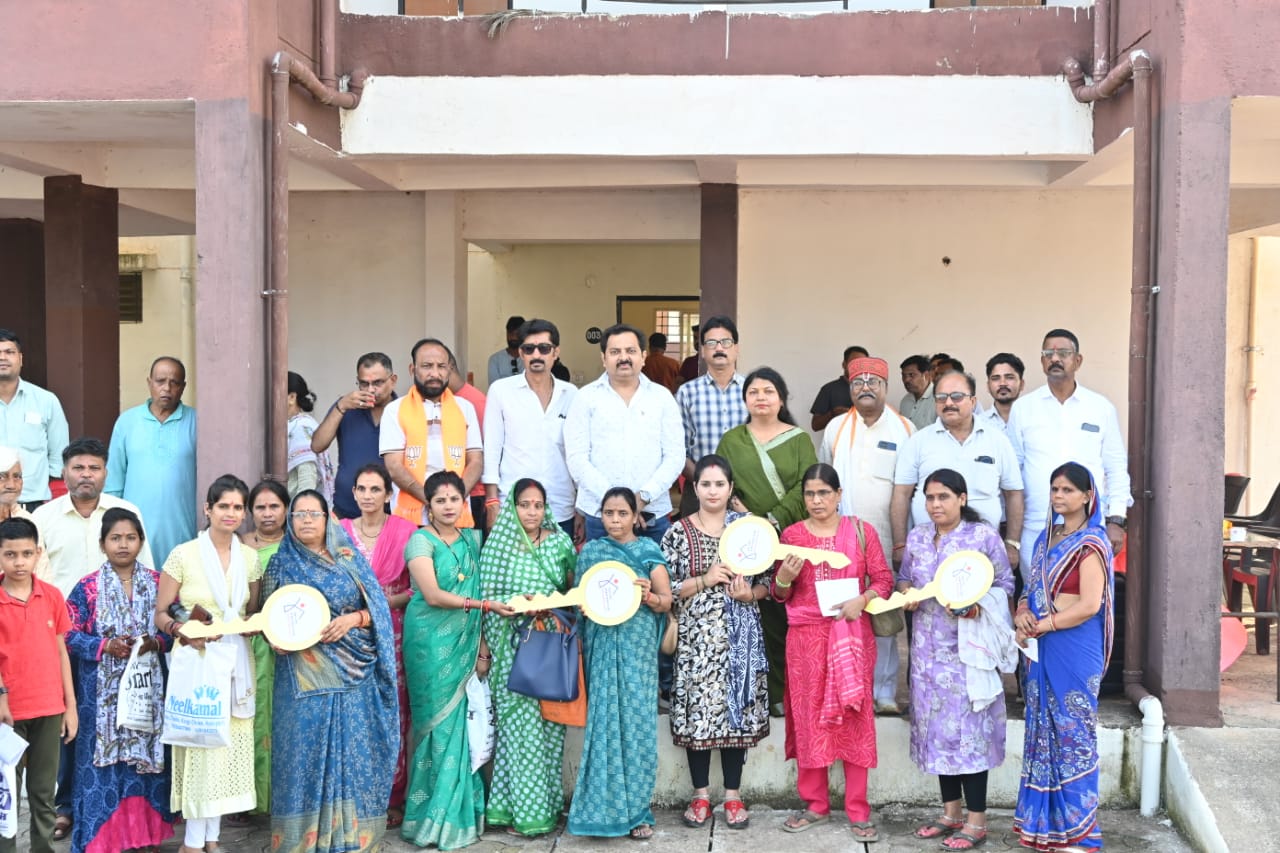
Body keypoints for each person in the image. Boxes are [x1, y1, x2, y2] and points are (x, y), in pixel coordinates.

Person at [264, 489, 399, 852]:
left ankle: (352, 839)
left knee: (352, 754)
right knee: (303, 755)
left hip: (354, 674)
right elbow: (267, 617)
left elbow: (378, 608)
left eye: (315, 513)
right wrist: (275, 639)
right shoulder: (281, 563)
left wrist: (354, 619)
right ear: (290, 521)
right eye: (299, 514)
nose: (307, 520)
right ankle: (301, 842)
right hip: (302, 678)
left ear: (328, 520)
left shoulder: (349, 559)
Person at [33, 436, 153, 840]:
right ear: (64, 471)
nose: (86, 475)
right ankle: (66, 806)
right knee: (69, 725)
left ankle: (124, 816)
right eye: (78, 468)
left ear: (105, 472)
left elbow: (148, 577)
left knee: (118, 727)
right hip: (59, 637)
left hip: (125, 653)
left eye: (94, 468)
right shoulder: (45, 518)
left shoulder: (126, 513)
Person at [769, 464, 891, 842]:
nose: (816, 500)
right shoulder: (792, 536)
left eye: (824, 492)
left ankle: (858, 810)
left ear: (839, 494)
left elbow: (884, 580)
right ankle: (815, 805)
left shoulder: (861, 531)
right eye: (810, 493)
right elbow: (779, 594)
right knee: (809, 719)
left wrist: (862, 599)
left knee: (855, 717)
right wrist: (785, 578)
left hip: (851, 637)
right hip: (805, 641)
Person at [900, 468, 1016, 851]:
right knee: (938, 735)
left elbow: (1004, 585)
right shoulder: (918, 537)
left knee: (970, 737)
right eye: (930, 498)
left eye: (943, 497)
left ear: (962, 499)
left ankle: (976, 821)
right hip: (926, 658)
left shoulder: (982, 537)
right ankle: (950, 814)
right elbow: (903, 578)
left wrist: (974, 608)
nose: (935, 505)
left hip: (967, 655)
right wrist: (908, 593)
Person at [402, 471, 513, 849]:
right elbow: (432, 595)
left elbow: (482, 587)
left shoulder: (472, 539)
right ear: (428, 506)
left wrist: (483, 648)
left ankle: (459, 815)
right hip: (428, 643)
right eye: (440, 500)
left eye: (455, 499)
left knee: (464, 726)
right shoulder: (420, 541)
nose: (449, 506)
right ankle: (428, 817)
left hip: (466, 642)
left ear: (464, 503)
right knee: (437, 726)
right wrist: (483, 605)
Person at [153, 475, 260, 853]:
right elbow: (162, 612)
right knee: (202, 749)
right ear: (208, 509)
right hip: (197, 660)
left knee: (225, 753)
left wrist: (254, 625)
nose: (231, 513)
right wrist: (184, 630)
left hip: (235, 662)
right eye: (223, 506)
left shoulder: (249, 558)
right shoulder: (184, 554)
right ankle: (192, 843)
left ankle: (211, 840)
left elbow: (250, 613)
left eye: (237, 507)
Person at [660, 455, 769, 830]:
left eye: (719, 484)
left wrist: (749, 594)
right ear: (695, 488)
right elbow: (666, 590)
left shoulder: (748, 529)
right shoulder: (677, 533)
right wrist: (705, 579)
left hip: (741, 638)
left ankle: (733, 796)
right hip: (697, 640)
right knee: (699, 715)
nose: (712, 491)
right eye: (705, 484)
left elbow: (767, 583)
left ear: (730, 488)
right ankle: (701, 794)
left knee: (737, 714)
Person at [1013, 462, 1114, 852]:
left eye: (1068, 489)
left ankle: (1082, 834)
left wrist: (1045, 624)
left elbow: (1089, 605)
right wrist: (1023, 612)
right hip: (1040, 646)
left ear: (1088, 496)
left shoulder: (1091, 543)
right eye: (1055, 488)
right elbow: (1030, 589)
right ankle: (1048, 829)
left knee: (1074, 734)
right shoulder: (1046, 537)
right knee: (1042, 731)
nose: (1059, 496)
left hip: (1074, 647)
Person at [64, 508, 174, 853]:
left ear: (141, 542)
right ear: (102, 544)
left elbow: (175, 628)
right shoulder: (87, 588)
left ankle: (144, 836)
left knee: (143, 763)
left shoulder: (159, 584)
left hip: (147, 692)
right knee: (103, 764)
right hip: (100, 697)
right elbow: (66, 634)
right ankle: (104, 840)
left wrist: (156, 643)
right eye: (115, 538)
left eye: (130, 538)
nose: (123, 545)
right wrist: (104, 646)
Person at [566, 488, 671, 840]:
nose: (615, 520)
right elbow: (580, 599)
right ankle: (600, 810)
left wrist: (649, 595)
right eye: (608, 513)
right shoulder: (592, 552)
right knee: (605, 724)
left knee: (637, 724)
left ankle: (638, 811)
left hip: (637, 647)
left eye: (622, 513)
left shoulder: (648, 551)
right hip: (602, 645)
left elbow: (666, 602)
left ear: (635, 517)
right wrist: (584, 606)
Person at [715, 367, 817, 715]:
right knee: (755, 613)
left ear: (781, 398)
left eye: (768, 391)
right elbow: (721, 482)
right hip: (744, 540)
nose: (761, 397)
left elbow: (807, 486)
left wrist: (772, 520)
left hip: (789, 537)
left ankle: (793, 691)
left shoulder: (799, 439)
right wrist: (747, 519)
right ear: (745, 399)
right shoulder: (732, 440)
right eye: (753, 392)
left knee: (787, 612)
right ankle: (763, 693)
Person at [479, 478, 578, 837]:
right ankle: (517, 811)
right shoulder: (498, 546)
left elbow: (572, 591)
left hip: (549, 644)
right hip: (509, 646)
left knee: (550, 727)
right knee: (518, 730)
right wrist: (486, 646)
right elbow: (485, 598)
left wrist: (548, 607)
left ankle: (545, 808)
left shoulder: (560, 543)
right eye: (524, 505)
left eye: (538, 505)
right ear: (513, 507)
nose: (532, 512)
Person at [818, 356, 914, 715]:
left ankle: (885, 691)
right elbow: (826, 482)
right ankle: (850, 688)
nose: (866, 387)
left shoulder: (904, 429)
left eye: (874, 381)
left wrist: (903, 542)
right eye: (858, 382)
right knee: (845, 613)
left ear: (886, 387)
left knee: (883, 615)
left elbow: (911, 488)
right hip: (843, 540)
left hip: (887, 539)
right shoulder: (836, 428)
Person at [1006, 329, 1131, 562]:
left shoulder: (1100, 408)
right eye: (1048, 354)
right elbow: (1013, 473)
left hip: (1089, 525)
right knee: (1037, 585)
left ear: (1078, 360)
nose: (1055, 359)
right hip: (1037, 526)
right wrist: (1013, 535)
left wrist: (1116, 519)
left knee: (1088, 585)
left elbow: (1115, 468)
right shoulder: (1023, 409)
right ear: (1042, 361)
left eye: (1063, 353)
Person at [338, 464, 416, 826]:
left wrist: (380, 607)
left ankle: (391, 796)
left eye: (375, 489)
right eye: (362, 489)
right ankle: (355, 798)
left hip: (392, 633)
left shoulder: (406, 532)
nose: (368, 495)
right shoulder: (339, 533)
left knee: (392, 711)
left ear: (388, 494)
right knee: (354, 714)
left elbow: (415, 589)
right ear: (354, 493)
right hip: (349, 636)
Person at [891, 371, 1024, 572]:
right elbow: (901, 494)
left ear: (973, 401)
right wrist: (900, 544)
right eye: (941, 397)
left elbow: (1013, 494)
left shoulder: (997, 441)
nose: (948, 403)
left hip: (985, 554)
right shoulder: (918, 442)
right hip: (930, 554)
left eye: (957, 396)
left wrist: (1012, 543)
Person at [564, 323, 683, 544]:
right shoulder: (585, 398)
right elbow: (576, 458)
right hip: (601, 514)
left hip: (652, 513)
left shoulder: (662, 397)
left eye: (630, 351)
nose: (623, 357)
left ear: (643, 356)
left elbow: (675, 456)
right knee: (603, 568)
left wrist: (643, 497)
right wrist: (617, 504)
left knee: (655, 568)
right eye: (615, 352)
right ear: (603, 358)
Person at [0, 517, 77, 853]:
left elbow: (61, 652)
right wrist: (2, 698)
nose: (19, 562)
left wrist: (70, 707)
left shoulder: (52, 596)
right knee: (5, 795)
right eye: (10, 554)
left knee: (44, 795)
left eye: (26, 554)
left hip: (48, 709)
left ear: (38, 554)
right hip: (7, 715)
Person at [483, 319, 580, 540]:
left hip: (560, 504)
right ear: (520, 353)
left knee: (560, 563)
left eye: (544, 348)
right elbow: (491, 449)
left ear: (555, 353)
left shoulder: (571, 394)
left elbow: (577, 452)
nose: (536, 355)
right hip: (514, 505)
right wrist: (492, 502)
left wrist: (581, 508)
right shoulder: (501, 391)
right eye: (529, 349)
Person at [381, 338, 483, 529]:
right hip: (410, 519)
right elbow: (394, 467)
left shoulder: (465, 408)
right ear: (413, 369)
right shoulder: (394, 410)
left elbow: (476, 461)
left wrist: (453, 500)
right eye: (427, 366)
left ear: (449, 370)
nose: (435, 373)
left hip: (456, 516)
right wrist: (433, 501)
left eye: (441, 366)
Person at [106, 355, 197, 568]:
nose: (167, 388)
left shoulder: (197, 421)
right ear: (149, 383)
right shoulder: (127, 422)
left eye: (174, 382)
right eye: (160, 381)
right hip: (134, 533)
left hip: (183, 531)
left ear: (183, 387)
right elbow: (113, 483)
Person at [243, 479, 290, 819]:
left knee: (285, 717)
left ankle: (286, 796)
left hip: (293, 643)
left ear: (286, 509)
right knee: (254, 716)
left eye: (275, 506)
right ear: (250, 512)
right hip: (252, 642)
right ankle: (251, 798)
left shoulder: (298, 544)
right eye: (260, 507)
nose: (268, 513)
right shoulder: (240, 545)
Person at [310, 352, 399, 520]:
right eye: (364, 383)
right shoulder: (346, 407)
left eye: (377, 383)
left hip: (392, 513)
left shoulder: (404, 410)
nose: (371, 389)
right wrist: (341, 407)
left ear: (393, 380)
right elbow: (317, 445)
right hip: (346, 510)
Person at [674, 316, 748, 519]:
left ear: (736, 348)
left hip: (746, 493)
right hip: (697, 493)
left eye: (726, 342)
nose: (719, 348)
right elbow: (678, 450)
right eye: (711, 343)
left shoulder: (751, 391)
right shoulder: (687, 393)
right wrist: (705, 482)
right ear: (703, 351)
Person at [0, 328, 69, 508]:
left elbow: (59, 456)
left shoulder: (46, 401)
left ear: (20, 359)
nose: (3, 357)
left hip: (32, 504)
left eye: (9, 352)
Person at [447, 355, 490, 535]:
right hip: (448, 493)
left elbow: (487, 450)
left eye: (438, 366)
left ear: (448, 367)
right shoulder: (445, 399)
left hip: (474, 492)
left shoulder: (474, 402)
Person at [287, 371, 334, 500]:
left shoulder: (299, 427)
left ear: (292, 397)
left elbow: (307, 477)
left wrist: (301, 508)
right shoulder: (301, 423)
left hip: (301, 505)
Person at [809, 345, 869, 432]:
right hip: (838, 439)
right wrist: (833, 413)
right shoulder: (829, 389)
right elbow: (815, 425)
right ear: (844, 364)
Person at [982, 352, 1025, 430]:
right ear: (988, 386)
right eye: (996, 378)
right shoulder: (978, 423)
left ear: (1021, 384)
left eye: (1009, 377)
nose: (1002, 383)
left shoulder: (1034, 419)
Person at [487, 315, 526, 388]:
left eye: (517, 334)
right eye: (511, 333)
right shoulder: (495, 360)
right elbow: (495, 388)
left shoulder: (530, 358)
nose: (513, 337)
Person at [899, 355, 936, 431]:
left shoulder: (939, 399)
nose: (906, 380)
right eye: (904, 376)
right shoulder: (905, 400)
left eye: (911, 375)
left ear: (926, 375)